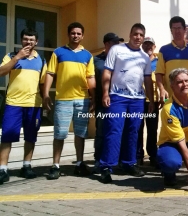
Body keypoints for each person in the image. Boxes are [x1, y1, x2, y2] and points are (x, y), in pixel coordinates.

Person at [99, 23, 154, 184]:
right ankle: (106, 167)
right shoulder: (117, 49)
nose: (138, 37)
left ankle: (129, 163)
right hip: (117, 97)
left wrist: (149, 99)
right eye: (135, 34)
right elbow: (107, 71)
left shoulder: (145, 57)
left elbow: (148, 80)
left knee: (133, 132)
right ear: (130, 34)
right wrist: (105, 93)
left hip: (137, 100)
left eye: (141, 35)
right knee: (114, 130)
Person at [43, 22, 95, 180]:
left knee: (81, 133)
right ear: (68, 34)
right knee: (60, 134)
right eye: (73, 33)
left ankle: (79, 164)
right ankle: (55, 166)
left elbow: (90, 77)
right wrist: (46, 94)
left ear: (83, 36)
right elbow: (50, 73)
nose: (76, 36)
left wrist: (94, 98)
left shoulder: (87, 55)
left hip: (83, 100)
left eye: (79, 33)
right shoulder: (58, 52)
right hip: (63, 100)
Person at [0, 28, 47, 184]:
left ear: (36, 42)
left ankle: (26, 166)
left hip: (34, 104)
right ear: (21, 40)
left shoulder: (42, 60)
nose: (29, 42)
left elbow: (42, 83)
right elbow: (1, 72)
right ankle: (3, 169)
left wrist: (46, 98)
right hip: (13, 103)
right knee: (7, 136)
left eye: (32, 39)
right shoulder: (11, 56)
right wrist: (17, 58)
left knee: (30, 136)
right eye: (26, 39)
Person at [93, 33, 123, 172]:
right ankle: (98, 159)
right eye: (114, 42)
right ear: (106, 44)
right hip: (101, 102)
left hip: (119, 101)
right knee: (101, 131)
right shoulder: (96, 60)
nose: (117, 45)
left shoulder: (121, 59)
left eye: (118, 43)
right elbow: (90, 81)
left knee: (117, 131)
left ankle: (117, 160)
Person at [155, 16, 188, 104]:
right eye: (174, 28)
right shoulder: (164, 50)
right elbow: (159, 73)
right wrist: (162, 90)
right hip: (171, 99)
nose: (177, 31)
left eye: (179, 28)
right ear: (171, 31)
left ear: (185, 29)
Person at [137, 37, 160, 167]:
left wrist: (163, 98)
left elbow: (163, 81)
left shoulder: (159, 61)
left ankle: (153, 155)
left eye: (150, 45)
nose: (148, 47)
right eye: (145, 44)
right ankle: (138, 156)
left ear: (154, 46)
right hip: (138, 101)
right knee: (138, 129)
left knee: (152, 129)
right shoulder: (137, 60)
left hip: (153, 102)